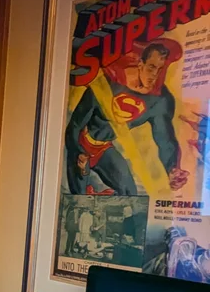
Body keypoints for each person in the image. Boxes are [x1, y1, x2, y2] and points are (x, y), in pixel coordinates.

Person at [65, 41, 188, 195]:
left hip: (104, 149)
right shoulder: (108, 83)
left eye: (160, 69)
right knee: (79, 197)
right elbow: (75, 125)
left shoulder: (160, 101)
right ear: (140, 65)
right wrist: (77, 153)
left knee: (129, 194)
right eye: (151, 67)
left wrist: (172, 168)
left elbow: (165, 138)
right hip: (80, 144)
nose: (155, 75)